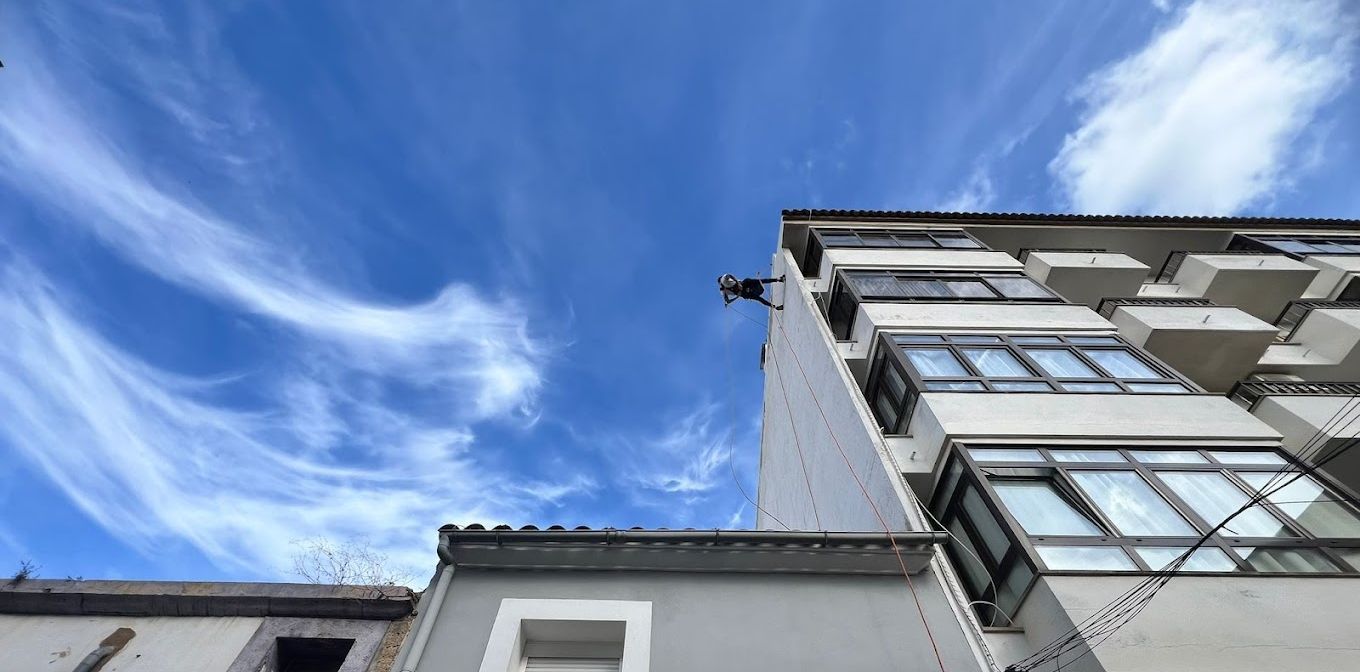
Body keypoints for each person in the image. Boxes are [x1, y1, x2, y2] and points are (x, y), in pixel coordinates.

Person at [718, 273, 785, 310]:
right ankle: (775, 307)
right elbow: (728, 301)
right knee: (759, 298)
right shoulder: (723, 288)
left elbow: (729, 275)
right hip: (742, 293)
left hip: (743, 284)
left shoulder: (724, 280)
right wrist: (737, 296)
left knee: (760, 281)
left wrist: (738, 284)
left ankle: (779, 279)